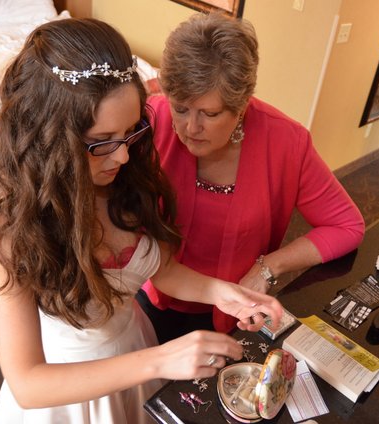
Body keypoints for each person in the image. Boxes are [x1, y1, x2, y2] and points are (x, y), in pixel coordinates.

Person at [0, 18, 282, 423]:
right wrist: (160, 360)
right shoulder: (8, 230)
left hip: (136, 351)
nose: (123, 156)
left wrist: (224, 293)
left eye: (131, 131)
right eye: (101, 142)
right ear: (50, 138)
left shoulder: (126, 178)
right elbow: (28, 383)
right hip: (67, 391)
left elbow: (161, 269)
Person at [137, 12, 365, 343]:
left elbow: (347, 226)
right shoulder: (151, 120)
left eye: (210, 114)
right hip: (153, 295)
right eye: (181, 108)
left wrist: (267, 268)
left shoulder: (286, 142)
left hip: (233, 314)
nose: (190, 127)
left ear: (241, 105)